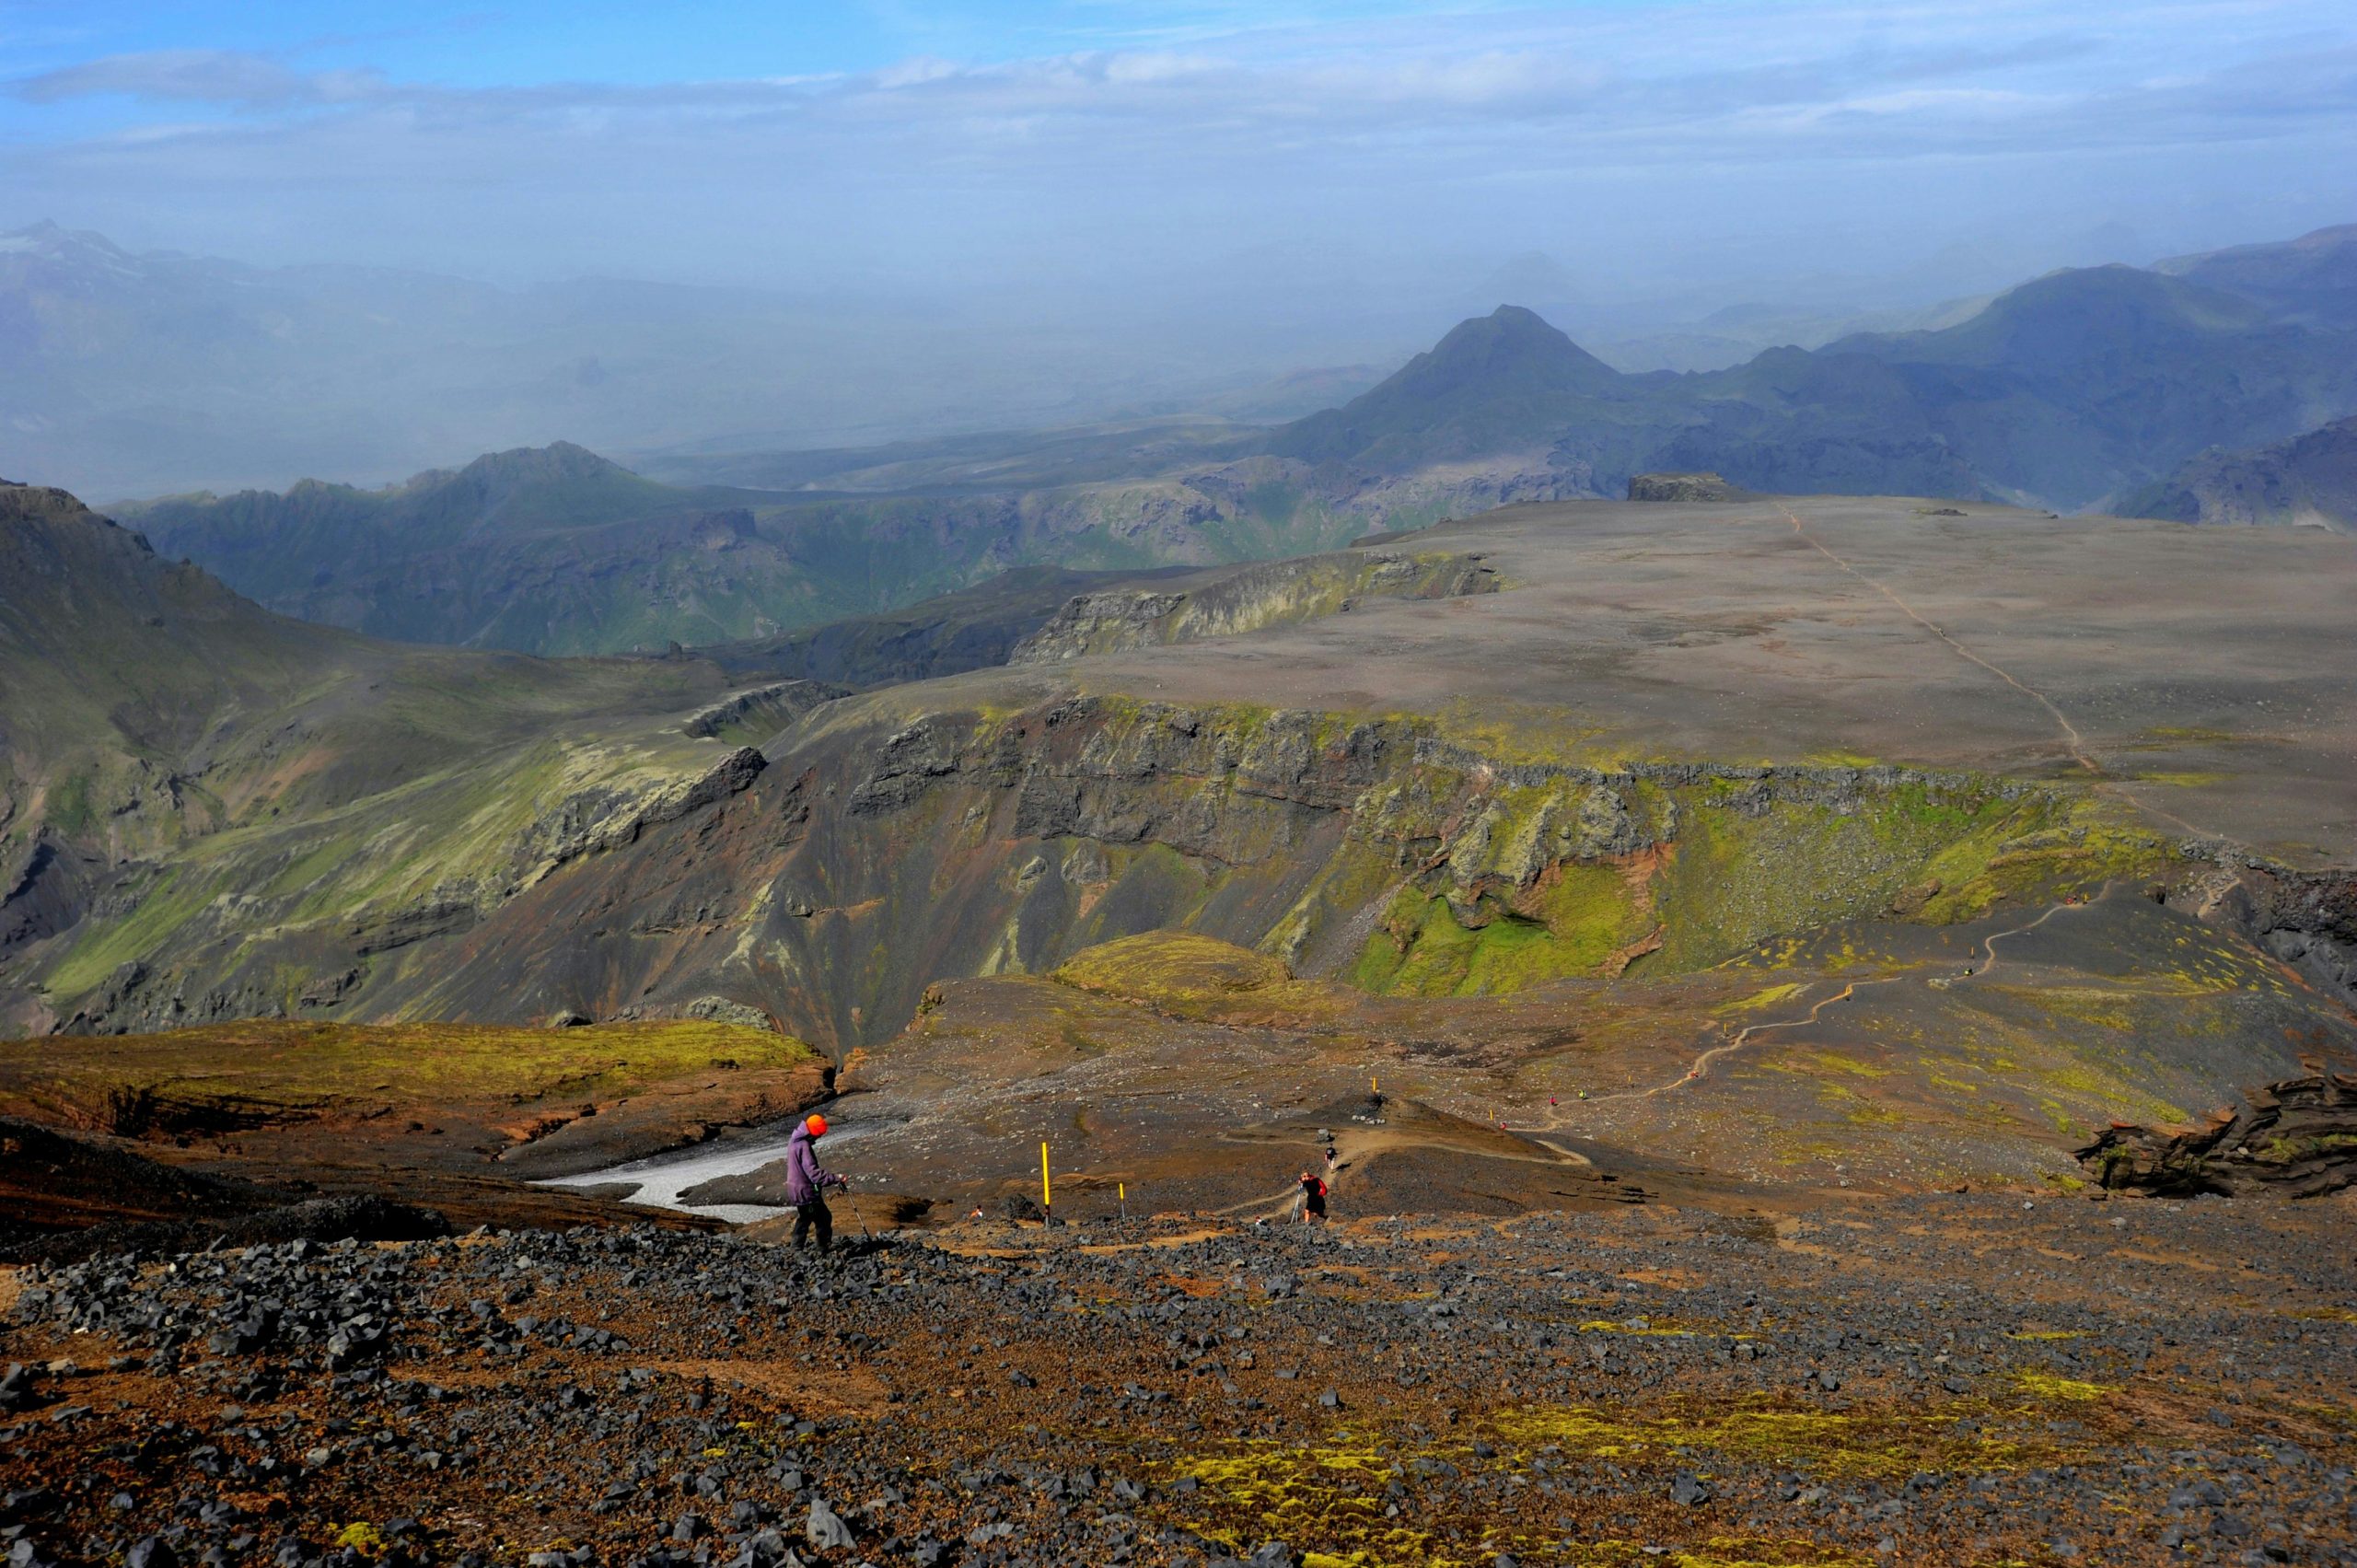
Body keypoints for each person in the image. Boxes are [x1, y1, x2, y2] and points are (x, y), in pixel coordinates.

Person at [785, 1113, 850, 1250]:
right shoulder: (804, 1146)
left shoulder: (794, 1140)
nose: (819, 1137)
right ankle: (802, 1249)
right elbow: (814, 1174)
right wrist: (836, 1178)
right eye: (819, 1134)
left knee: (816, 1217)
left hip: (797, 1188)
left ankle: (818, 1246)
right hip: (805, 1191)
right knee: (811, 1218)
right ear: (814, 1133)